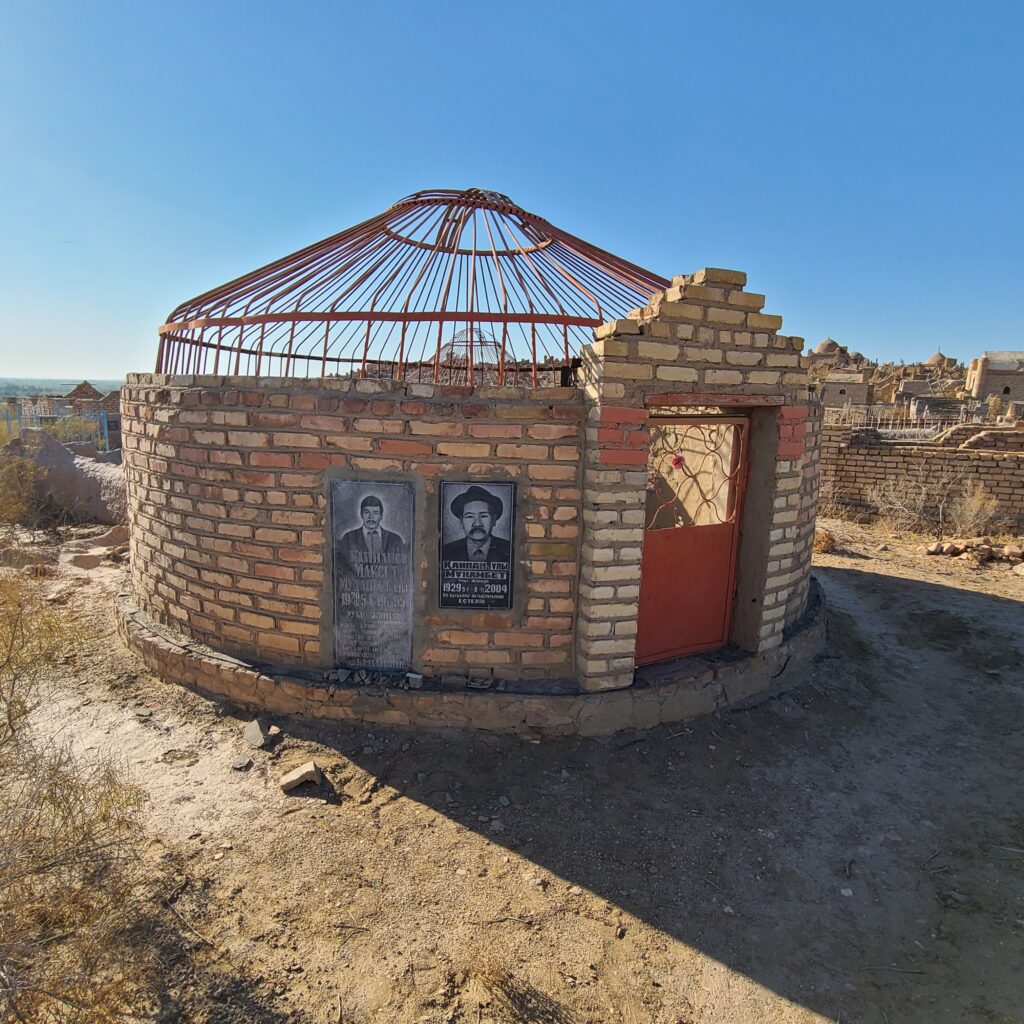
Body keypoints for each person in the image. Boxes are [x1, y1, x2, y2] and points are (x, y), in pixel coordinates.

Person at [337, 494, 407, 574]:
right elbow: (344, 570)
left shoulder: (395, 540)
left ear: (381, 516)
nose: (371, 517)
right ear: (361, 514)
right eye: (367, 512)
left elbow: (401, 571)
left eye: (375, 513)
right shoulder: (349, 538)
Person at [441, 485, 511, 562]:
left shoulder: (509, 549)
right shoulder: (447, 552)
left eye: (483, 516)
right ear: (461, 521)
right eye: (469, 516)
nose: (477, 524)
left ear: (493, 520)